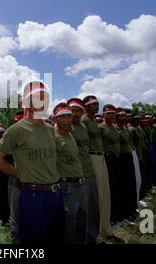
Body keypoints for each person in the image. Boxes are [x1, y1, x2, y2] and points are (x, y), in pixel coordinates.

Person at [0, 81, 65, 244]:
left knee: (57, 238)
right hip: (33, 195)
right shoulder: (17, 130)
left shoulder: (49, 129)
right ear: (25, 102)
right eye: (36, 97)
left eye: (44, 96)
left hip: (55, 193)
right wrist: (21, 175)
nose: (42, 101)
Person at [82, 96, 122, 243]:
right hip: (92, 159)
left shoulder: (93, 121)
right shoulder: (84, 121)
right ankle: (96, 232)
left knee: (106, 195)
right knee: (97, 197)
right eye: (93, 104)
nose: (96, 106)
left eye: (97, 104)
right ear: (85, 106)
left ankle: (106, 228)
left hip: (101, 157)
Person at [67, 98, 100, 244]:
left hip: (88, 172)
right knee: (73, 214)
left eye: (78, 110)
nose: (75, 113)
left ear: (82, 112)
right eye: (72, 110)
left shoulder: (83, 127)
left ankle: (89, 237)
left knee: (88, 210)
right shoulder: (64, 128)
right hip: (73, 176)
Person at [52, 102, 85, 244]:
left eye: (68, 116)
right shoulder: (53, 137)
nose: (66, 120)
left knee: (78, 221)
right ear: (55, 119)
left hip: (78, 185)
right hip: (66, 186)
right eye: (62, 117)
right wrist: (60, 195)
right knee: (68, 226)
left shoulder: (70, 134)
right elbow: (52, 166)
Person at [115, 108, 138, 223]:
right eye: (121, 116)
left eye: (125, 116)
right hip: (121, 159)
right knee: (123, 186)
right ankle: (123, 213)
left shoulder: (126, 129)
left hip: (129, 157)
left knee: (131, 184)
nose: (124, 118)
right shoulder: (116, 130)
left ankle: (131, 209)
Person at [7, 110, 24, 244]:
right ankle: (16, 240)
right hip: (15, 178)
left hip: (32, 179)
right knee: (15, 210)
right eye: (17, 122)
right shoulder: (11, 135)